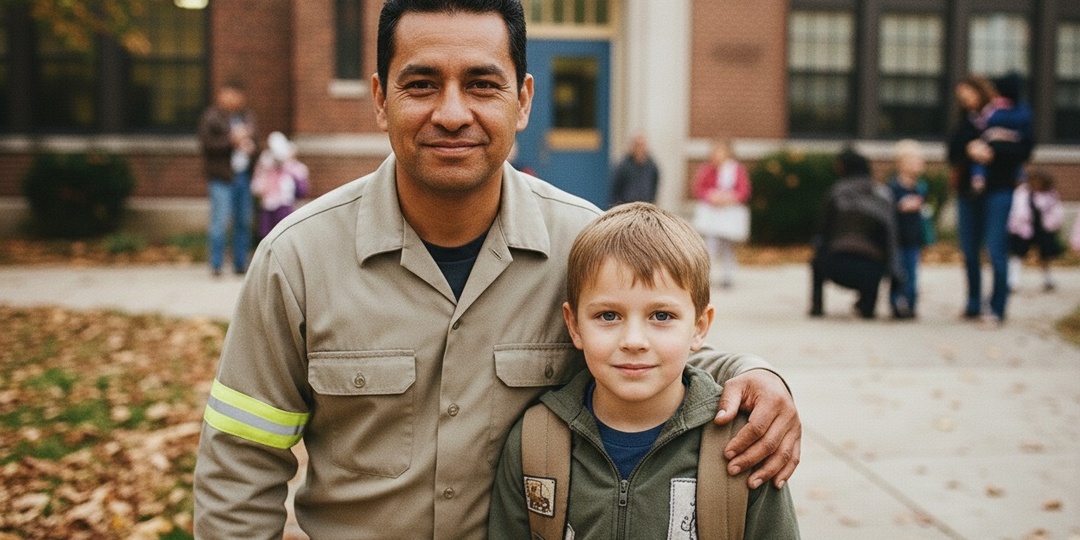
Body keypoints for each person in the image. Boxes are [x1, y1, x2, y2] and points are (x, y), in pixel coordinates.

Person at [193, 1, 801, 538]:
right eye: (422, 84)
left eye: (483, 85)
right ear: (380, 99)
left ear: (524, 100)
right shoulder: (296, 259)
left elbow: (650, 348)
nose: (452, 113)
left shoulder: (584, 245)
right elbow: (241, 462)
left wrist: (756, 374)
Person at [488, 202, 800, 539]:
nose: (634, 341)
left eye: (661, 316)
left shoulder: (744, 444)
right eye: (608, 315)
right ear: (573, 325)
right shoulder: (536, 440)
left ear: (699, 326)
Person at [947, 74, 1034, 324]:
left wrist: (992, 153)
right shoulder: (966, 121)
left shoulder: (1009, 115)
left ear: (981, 91)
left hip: (999, 190)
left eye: (968, 95)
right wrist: (968, 149)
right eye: (961, 98)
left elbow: (1024, 149)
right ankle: (973, 303)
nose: (965, 101)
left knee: (996, 249)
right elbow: (952, 152)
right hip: (968, 192)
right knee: (970, 251)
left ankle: (997, 307)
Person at [810, 147, 904, 319]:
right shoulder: (882, 195)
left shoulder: (836, 192)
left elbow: (821, 231)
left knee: (816, 258)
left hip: (835, 264)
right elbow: (891, 238)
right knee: (875, 263)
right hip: (872, 269)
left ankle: (817, 305)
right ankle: (867, 306)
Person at [198, 80, 257, 277]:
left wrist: (251, 147)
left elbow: (257, 143)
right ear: (221, 95)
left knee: (243, 222)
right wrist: (232, 141)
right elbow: (207, 144)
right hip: (222, 177)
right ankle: (216, 264)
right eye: (228, 94)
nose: (232, 98)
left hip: (243, 177)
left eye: (236, 94)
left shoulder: (247, 117)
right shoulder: (212, 117)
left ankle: (240, 264)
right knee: (219, 222)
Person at [691, 139, 752, 288]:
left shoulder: (736, 170)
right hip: (713, 214)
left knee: (727, 247)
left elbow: (744, 191)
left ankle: (728, 276)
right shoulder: (707, 169)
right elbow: (699, 188)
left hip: (729, 214)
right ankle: (705, 276)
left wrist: (730, 197)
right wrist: (711, 196)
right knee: (710, 245)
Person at [887, 139, 932, 319]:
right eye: (913, 161)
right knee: (897, 273)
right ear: (901, 164)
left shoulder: (921, 187)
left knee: (912, 274)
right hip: (897, 238)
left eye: (920, 161)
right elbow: (888, 211)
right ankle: (895, 303)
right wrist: (900, 206)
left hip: (914, 238)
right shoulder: (893, 187)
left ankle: (911, 305)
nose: (918, 165)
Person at [1007, 168, 1065, 292]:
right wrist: (1015, 225)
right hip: (1024, 229)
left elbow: (1056, 210)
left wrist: (1053, 224)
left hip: (1043, 230)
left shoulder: (1050, 195)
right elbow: (1016, 210)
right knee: (1018, 254)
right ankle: (1013, 281)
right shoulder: (1022, 193)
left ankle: (1048, 279)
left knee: (1046, 255)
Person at [250, 131, 310, 239]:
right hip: (268, 202)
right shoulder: (265, 162)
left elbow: (301, 186)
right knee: (266, 234)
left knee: (283, 233)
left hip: (283, 202)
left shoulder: (292, 166)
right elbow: (257, 184)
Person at [608, 134, 660, 206]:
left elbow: (654, 187)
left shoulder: (652, 166)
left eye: (642, 145)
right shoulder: (623, 166)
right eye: (637, 145)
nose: (640, 149)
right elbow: (615, 190)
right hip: (627, 207)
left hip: (645, 206)